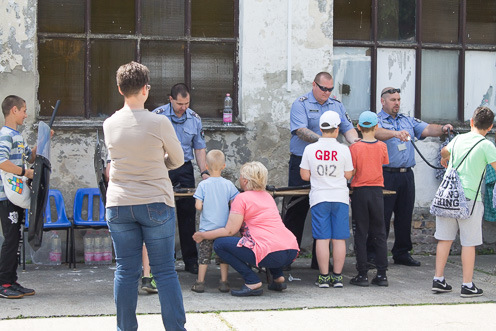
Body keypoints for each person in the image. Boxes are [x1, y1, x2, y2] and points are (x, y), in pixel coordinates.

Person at [103, 61, 186, 330]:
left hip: (119, 203)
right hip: (155, 201)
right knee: (164, 271)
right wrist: (159, 161)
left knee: (126, 271)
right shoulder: (159, 122)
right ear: (145, 89)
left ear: (120, 89)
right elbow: (178, 159)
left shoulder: (109, 124)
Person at [370, 87, 453, 267]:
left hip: (406, 175)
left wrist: (443, 128)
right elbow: (374, 133)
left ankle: (402, 253)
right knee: (381, 217)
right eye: (393, 100)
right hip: (386, 175)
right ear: (383, 101)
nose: (397, 103)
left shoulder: (407, 120)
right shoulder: (375, 120)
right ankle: (375, 254)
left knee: (405, 216)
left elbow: (428, 129)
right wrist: (395, 134)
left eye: (398, 99)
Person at [285, 72, 359, 269]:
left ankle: (321, 264)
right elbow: (300, 130)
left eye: (330, 89)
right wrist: (325, 142)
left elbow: (348, 128)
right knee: (296, 212)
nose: (327, 92)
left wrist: (358, 144)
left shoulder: (336, 105)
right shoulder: (300, 103)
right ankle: (287, 258)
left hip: (329, 165)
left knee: (326, 211)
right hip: (303, 160)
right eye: (323, 88)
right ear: (314, 85)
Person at [193, 162, 299, 297]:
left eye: (240, 176)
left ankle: (252, 281)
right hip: (290, 250)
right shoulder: (267, 196)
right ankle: (278, 278)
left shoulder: (241, 198)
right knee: (269, 240)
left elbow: (230, 231)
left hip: (270, 254)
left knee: (220, 244)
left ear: (245, 180)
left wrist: (203, 235)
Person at [432, 106, 496, 298]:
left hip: (447, 196)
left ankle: (438, 279)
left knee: (444, 239)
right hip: (470, 198)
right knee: (469, 242)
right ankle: (467, 285)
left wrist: (446, 158)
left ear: (471, 122)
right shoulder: (487, 145)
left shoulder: (459, 139)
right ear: (490, 126)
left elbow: (444, 150)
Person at [153, 83, 208, 275]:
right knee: (160, 214)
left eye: (186, 103)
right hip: (161, 168)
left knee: (187, 216)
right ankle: (162, 261)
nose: (183, 107)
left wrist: (204, 172)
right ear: (170, 99)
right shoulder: (157, 116)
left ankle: (190, 260)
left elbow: (199, 148)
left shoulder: (194, 119)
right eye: (179, 104)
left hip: (184, 168)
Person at [300, 111, 354, 288]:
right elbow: (348, 174)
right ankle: (337, 276)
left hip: (319, 197)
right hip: (339, 197)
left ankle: (323, 276)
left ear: (320, 128)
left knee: (322, 238)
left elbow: (304, 175)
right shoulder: (344, 149)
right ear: (337, 129)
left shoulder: (310, 149)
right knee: (339, 238)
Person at [0, 95, 38, 299]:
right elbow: (1, 161)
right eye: (24, 110)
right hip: (6, 197)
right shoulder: (6, 135)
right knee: (11, 239)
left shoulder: (17, 135)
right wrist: (25, 173)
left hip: (16, 196)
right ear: (13, 110)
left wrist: (41, 143)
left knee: (16, 239)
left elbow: (29, 157)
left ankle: (11, 281)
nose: (26, 114)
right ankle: (3, 283)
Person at [349, 111, 389, 287]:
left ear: (358, 127)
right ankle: (382, 274)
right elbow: (383, 163)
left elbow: (352, 170)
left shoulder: (354, 148)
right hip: (377, 191)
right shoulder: (382, 146)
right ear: (376, 127)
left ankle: (362, 273)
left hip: (360, 191)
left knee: (361, 232)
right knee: (379, 232)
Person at [191, 149, 239, 293]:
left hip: (207, 229)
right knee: (223, 256)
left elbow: (198, 206)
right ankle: (224, 282)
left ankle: (200, 282)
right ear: (224, 166)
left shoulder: (203, 185)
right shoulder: (228, 184)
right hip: (223, 229)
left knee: (204, 256)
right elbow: (235, 202)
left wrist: (206, 204)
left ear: (206, 165)